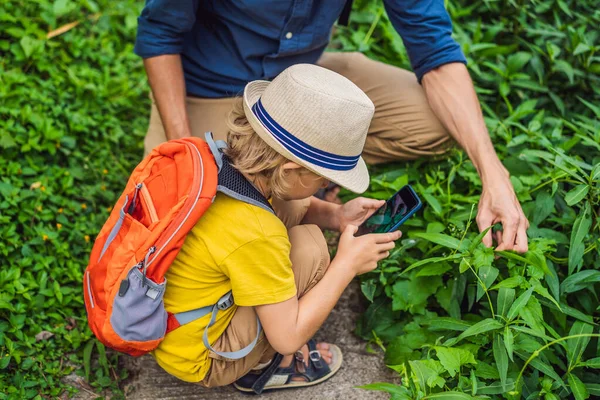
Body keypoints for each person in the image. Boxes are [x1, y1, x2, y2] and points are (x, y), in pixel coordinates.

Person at [134, 0, 529, 254]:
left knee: (434, 123)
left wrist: (494, 176)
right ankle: (299, 177)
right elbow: (159, 34)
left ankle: (311, 168)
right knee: (219, 225)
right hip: (212, 92)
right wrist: (183, 148)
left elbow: (436, 51)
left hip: (301, 81)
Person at [153, 64, 400, 392]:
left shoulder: (220, 161)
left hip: (173, 316)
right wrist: (346, 265)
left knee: (291, 203)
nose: (326, 184)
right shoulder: (257, 231)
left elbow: (291, 198)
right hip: (198, 356)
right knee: (311, 249)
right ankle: (261, 366)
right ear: (291, 168)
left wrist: (337, 215)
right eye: (323, 177)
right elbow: (288, 338)